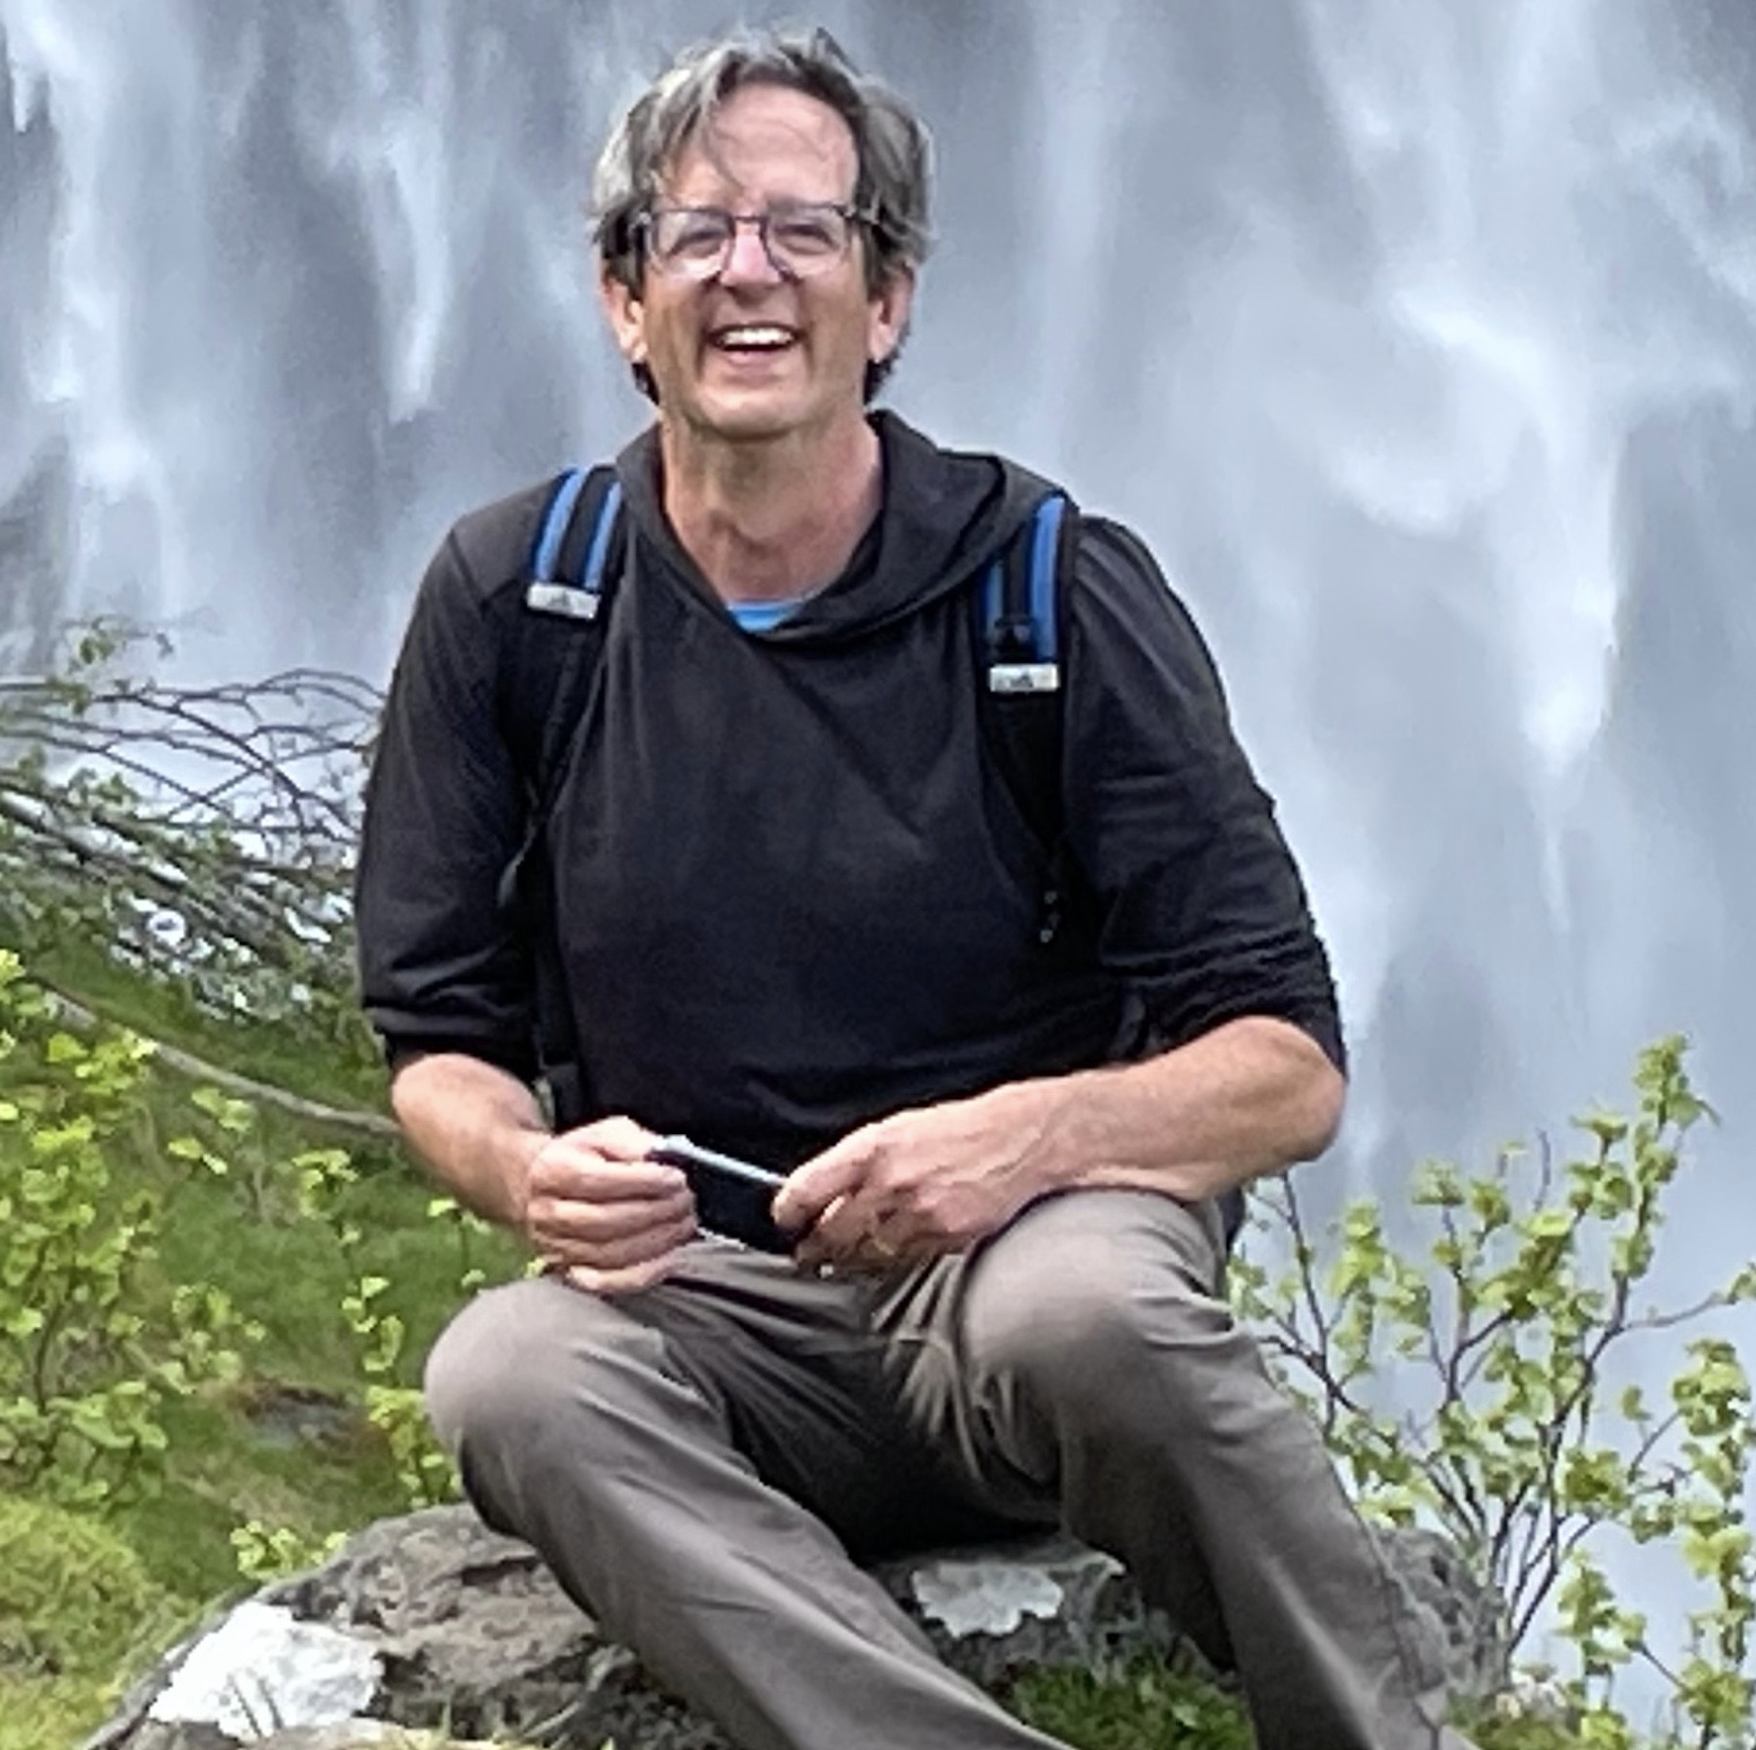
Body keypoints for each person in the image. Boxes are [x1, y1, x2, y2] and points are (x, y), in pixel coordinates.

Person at [354, 25, 1475, 1750]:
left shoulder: (1054, 589)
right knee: (508, 1372)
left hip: (1024, 1275)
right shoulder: (522, 598)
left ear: (885, 304)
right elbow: (436, 1035)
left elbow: (1289, 1068)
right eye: (697, 231)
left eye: (808, 231)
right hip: (713, 1310)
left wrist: (1017, 1144)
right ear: (619, 296)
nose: (752, 273)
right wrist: (523, 1165)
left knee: (1092, 1306)